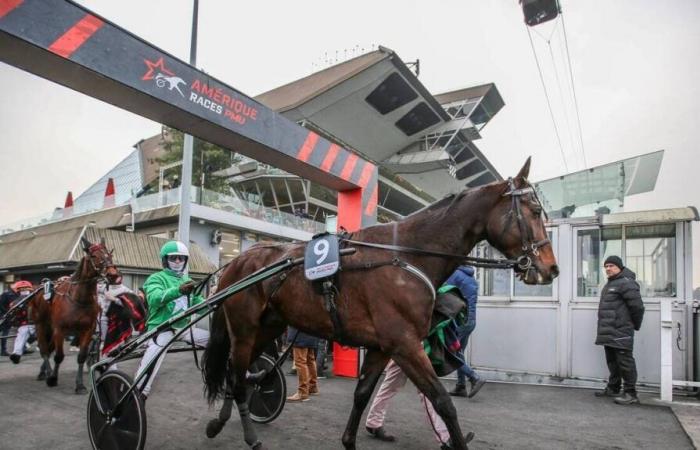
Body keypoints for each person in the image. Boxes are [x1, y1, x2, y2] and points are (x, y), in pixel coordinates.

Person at [135, 241, 208, 398]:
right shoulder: (156, 278)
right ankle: (138, 394)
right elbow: (154, 299)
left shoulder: (186, 280)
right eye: (173, 258)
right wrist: (178, 290)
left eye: (181, 259)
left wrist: (217, 302)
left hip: (184, 329)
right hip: (161, 329)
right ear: (165, 260)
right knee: (148, 369)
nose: (177, 262)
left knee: (218, 341)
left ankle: (242, 376)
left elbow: (200, 304)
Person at [365, 359, 473, 450]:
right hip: (409, 348)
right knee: (427, 391)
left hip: (403, 346)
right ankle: (445, 439)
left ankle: (373, 422)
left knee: (390, 386)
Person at [594, 255, 645, 405]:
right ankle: (613, 387)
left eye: (611, 266)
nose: (608, 269)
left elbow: (638, 307)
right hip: (609, 331)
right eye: (606, 266)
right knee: (612, 362)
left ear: (620, 267)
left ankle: (631, 393)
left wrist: (633, 325)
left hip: (621, 331)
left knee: (625, 362)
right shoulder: (610, 284)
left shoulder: (626, 283)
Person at [445, 266, 486, 399]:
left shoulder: (454, 274)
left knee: (450, 353)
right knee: (459, 352)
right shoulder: (470, 277)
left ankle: (474, 377)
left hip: (459, 322)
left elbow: (443, 294)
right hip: (470, 321)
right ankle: (461, 386)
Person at [286, 326, 319, 402]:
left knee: (300, 361)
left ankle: (303, 392)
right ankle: (312, 386)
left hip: (299, 333)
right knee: (310, 359)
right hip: (310, 332)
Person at [8, 281, 35, 364]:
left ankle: (17, 353)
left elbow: (13, 314)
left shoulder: (14, 302)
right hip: (35, 323)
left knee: (20, 337)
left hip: (25, 324)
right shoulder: (36, 299)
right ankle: (20, 350)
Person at [0, 283, 19, 356]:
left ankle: (3, 350)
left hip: (10, 317)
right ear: (11, 286)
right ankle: (3, 350)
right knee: (5, 333)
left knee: (6, 333)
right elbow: (0, 304)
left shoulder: (18, 294)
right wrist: (6, 312)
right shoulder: (6, 294)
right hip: (3, 316)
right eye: (15, 285)